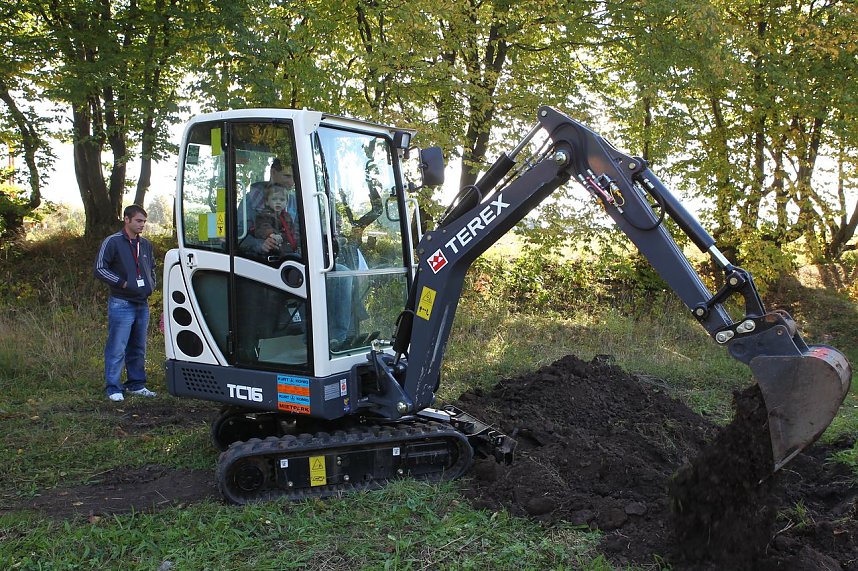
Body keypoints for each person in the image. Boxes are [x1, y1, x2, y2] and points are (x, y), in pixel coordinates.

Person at [93, 204, 157, 402]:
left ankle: (136, 384)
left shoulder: (145, 244)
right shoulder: (112, 242)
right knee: (117, 346)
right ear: (126, 219)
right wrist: (122, 283)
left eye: (144, 222)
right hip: (122, 303)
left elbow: (152, 267)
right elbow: (100, 268)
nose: (142, 225)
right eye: (138, 221)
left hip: (142, 303)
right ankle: (113, 387)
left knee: (138, 347)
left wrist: (151, 285)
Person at [238, 158, 298, 255]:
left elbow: (298, 232)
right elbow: (239, 235)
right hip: (259, 260)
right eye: (287, 176)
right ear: (273, 172)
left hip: (288, 257)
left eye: (294, 178)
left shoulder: (292, 201)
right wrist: (261, 244)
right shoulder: (251, 200)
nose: (292, 183)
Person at [254, 182, 300, 255]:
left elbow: (293, 232)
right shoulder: (264, 215)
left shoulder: (287, 217)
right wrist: (272, 234)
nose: (278, 202)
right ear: (267, 202)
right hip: (273, 251)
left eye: (282, 200)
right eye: (274, 199)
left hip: (289, 249)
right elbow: (263, 227)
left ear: (286, 202)